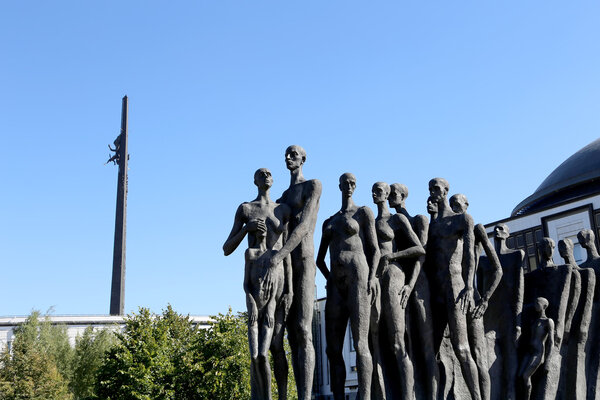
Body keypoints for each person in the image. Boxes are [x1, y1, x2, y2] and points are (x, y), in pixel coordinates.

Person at [223, 168, 292, 400]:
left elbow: (287, 250)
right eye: (261, 174)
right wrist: (246, 229)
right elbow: (226, 248)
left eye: (269, 173)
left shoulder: (282, 210)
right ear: (254, 180)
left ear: (273, 180)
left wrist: (289, 288)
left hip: (276, 276)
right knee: (256, 352)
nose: (265, 176)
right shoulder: (246, 208)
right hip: (254, 277)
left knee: (275, 344)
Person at [259, 145, 321, 400]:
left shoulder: (313, 186)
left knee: (303, 329)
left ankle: (306, 397)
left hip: (302, 260)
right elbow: (278, 229)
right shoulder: (283, 196)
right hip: (284, 265)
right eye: (286, 154)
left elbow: (305, 225)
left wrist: (279, 255)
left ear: (303, 159)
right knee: (281, 335)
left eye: (293, 155)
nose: (288, 158)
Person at [317, 173, 379, 400]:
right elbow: (319, 258)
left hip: (357, 278)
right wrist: (328, 278)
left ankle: (365, 396)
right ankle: (339, 397)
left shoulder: (363, 213)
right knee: (332, 349)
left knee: (361, 343)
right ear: (340, 186)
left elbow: (374, 249)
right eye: (346, 183)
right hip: (335, 285)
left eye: (353, 183)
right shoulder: (329, 221)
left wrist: (372, 277)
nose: (350, 186)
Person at [425, 178, 482, 400]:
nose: (433, 192)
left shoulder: (461, 219)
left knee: (462, 348)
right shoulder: (433, 224)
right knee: (433, 350)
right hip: (436, 290)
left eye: (437, 188)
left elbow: (470, 254)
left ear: (446, 191)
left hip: (455, 286)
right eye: (430, 189)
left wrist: (469, 285)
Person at [372, 182, 426, 399]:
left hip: (393, 275)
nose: (374, 194)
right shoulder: (369, 220)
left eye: (379, 191)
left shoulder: (396, 219)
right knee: (377, 342)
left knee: (397, 341)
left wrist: (393, 256)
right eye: (373, 191)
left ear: (386, 195)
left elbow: (419, 249)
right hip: (375, 281)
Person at [449, 194, 502, 400]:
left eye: (458, 204)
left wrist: (485, 299)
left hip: (473, 299)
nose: (454, 208)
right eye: (452, 205)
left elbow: (498, 269)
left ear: (466, 206)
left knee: (480, 356)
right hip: (453, 297)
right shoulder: (449, 232)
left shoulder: (476, 230)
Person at [389, 184, 439, 400]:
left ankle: (433, 394)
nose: (390, 197)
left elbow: (421, 253)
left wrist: (411, 284)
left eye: (393, 194)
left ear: (402, 197)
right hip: (402, 285)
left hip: (418, 285)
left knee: (427, 346)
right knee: (407, 341)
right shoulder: (392, 222)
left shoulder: (418, 219)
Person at [519, 297, 555, 400]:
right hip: (529, 352)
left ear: (544, 306)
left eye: (537, 302)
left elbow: (551, 342)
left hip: (538, 353)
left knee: (525, 376)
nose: (535, 304)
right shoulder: (534, 321)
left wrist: (548, 361)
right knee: (519, 375)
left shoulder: (548, 321)